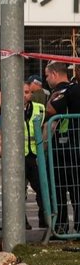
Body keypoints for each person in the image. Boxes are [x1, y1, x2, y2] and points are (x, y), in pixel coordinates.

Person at [44, 59, 80, 234]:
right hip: (75, 146)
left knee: (59, 189)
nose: (46, 80)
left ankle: (61, 228)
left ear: (54, 74)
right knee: (76, 190)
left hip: (64, 147)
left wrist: (50, 98)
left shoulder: (62, 90)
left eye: (46, 76)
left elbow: (50, 109)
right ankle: (76, 227)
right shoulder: (76, 88)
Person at [23, 81, 47, 229]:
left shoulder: (40, 109)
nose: (25, 95)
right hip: (19, 156)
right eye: (23, 92)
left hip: (35, 156)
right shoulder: (11, 110)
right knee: (19, 191)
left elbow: (46, 127)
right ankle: (22, 221)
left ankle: (44, 220)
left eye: (27, 92)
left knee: (41, 188)